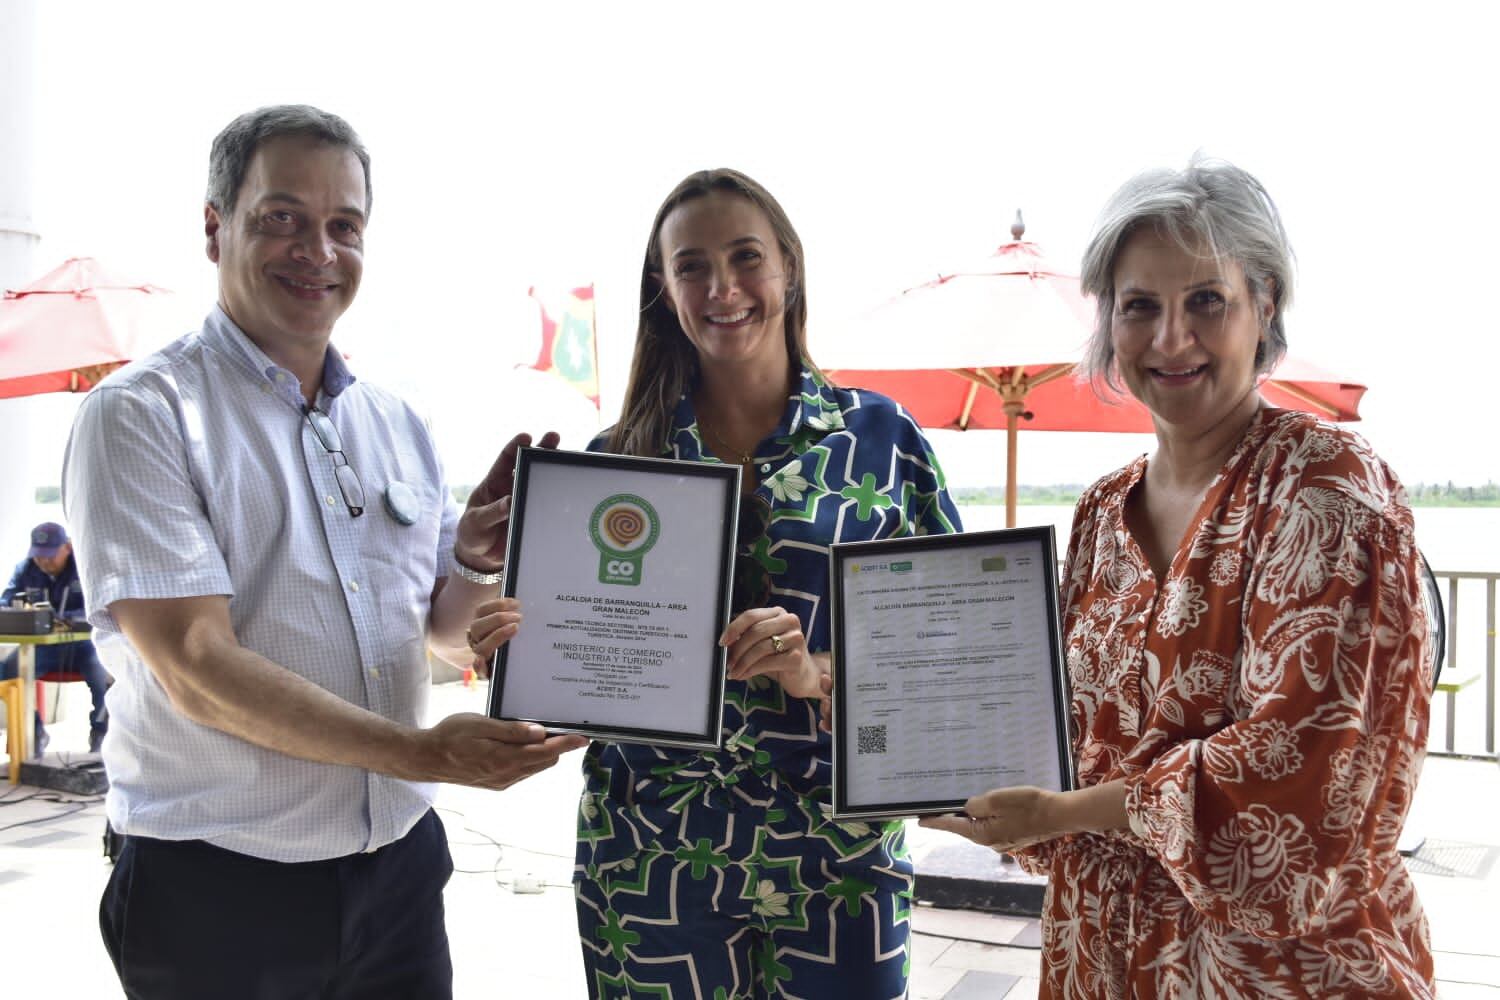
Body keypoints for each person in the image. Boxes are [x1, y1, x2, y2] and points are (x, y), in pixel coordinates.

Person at [61, 104, 586, 1000]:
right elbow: (194, 665)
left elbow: (440, 640)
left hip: (399, 874)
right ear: (214, 226)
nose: (319, 249)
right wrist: (429, 755)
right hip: (219, 887)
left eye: (345, 225)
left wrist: (472, 560)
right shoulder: (143, 414)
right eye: (282, 219)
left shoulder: (395, 421)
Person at [920, 159, 1435, 998]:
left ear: (1263, 304)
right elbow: (1062, 737)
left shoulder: (1325, 483)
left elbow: (1301, 776)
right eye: (1140, 307)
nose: (1170, 340)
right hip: (1100, 959)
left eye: (1206, 301)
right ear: (1109, 324)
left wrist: (1062, 812)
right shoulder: (1100, 511)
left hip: (1277, 973)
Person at [475, 167, 961, 999]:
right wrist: (515, 649)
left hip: (837, 853)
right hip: (652, 851)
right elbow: (558, 657)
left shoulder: (882, 440)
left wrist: (818, 675)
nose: (722, 287)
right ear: (663, 290)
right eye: (692, 265)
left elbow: (946, 656)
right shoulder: (610, 463)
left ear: (790, 270)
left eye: (746, 257)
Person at [0, 521, 109, 754]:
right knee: (7, 670)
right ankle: (35, 731)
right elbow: (5, 602)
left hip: (86, 646)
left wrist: (64, 618)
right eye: (39, 556)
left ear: (67, 547)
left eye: (50, 555)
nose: (44, 562)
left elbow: (102, 607)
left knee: (102, 673)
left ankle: (101, 733)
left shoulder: (86, 567)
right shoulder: (26, 569)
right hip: (44, 648)